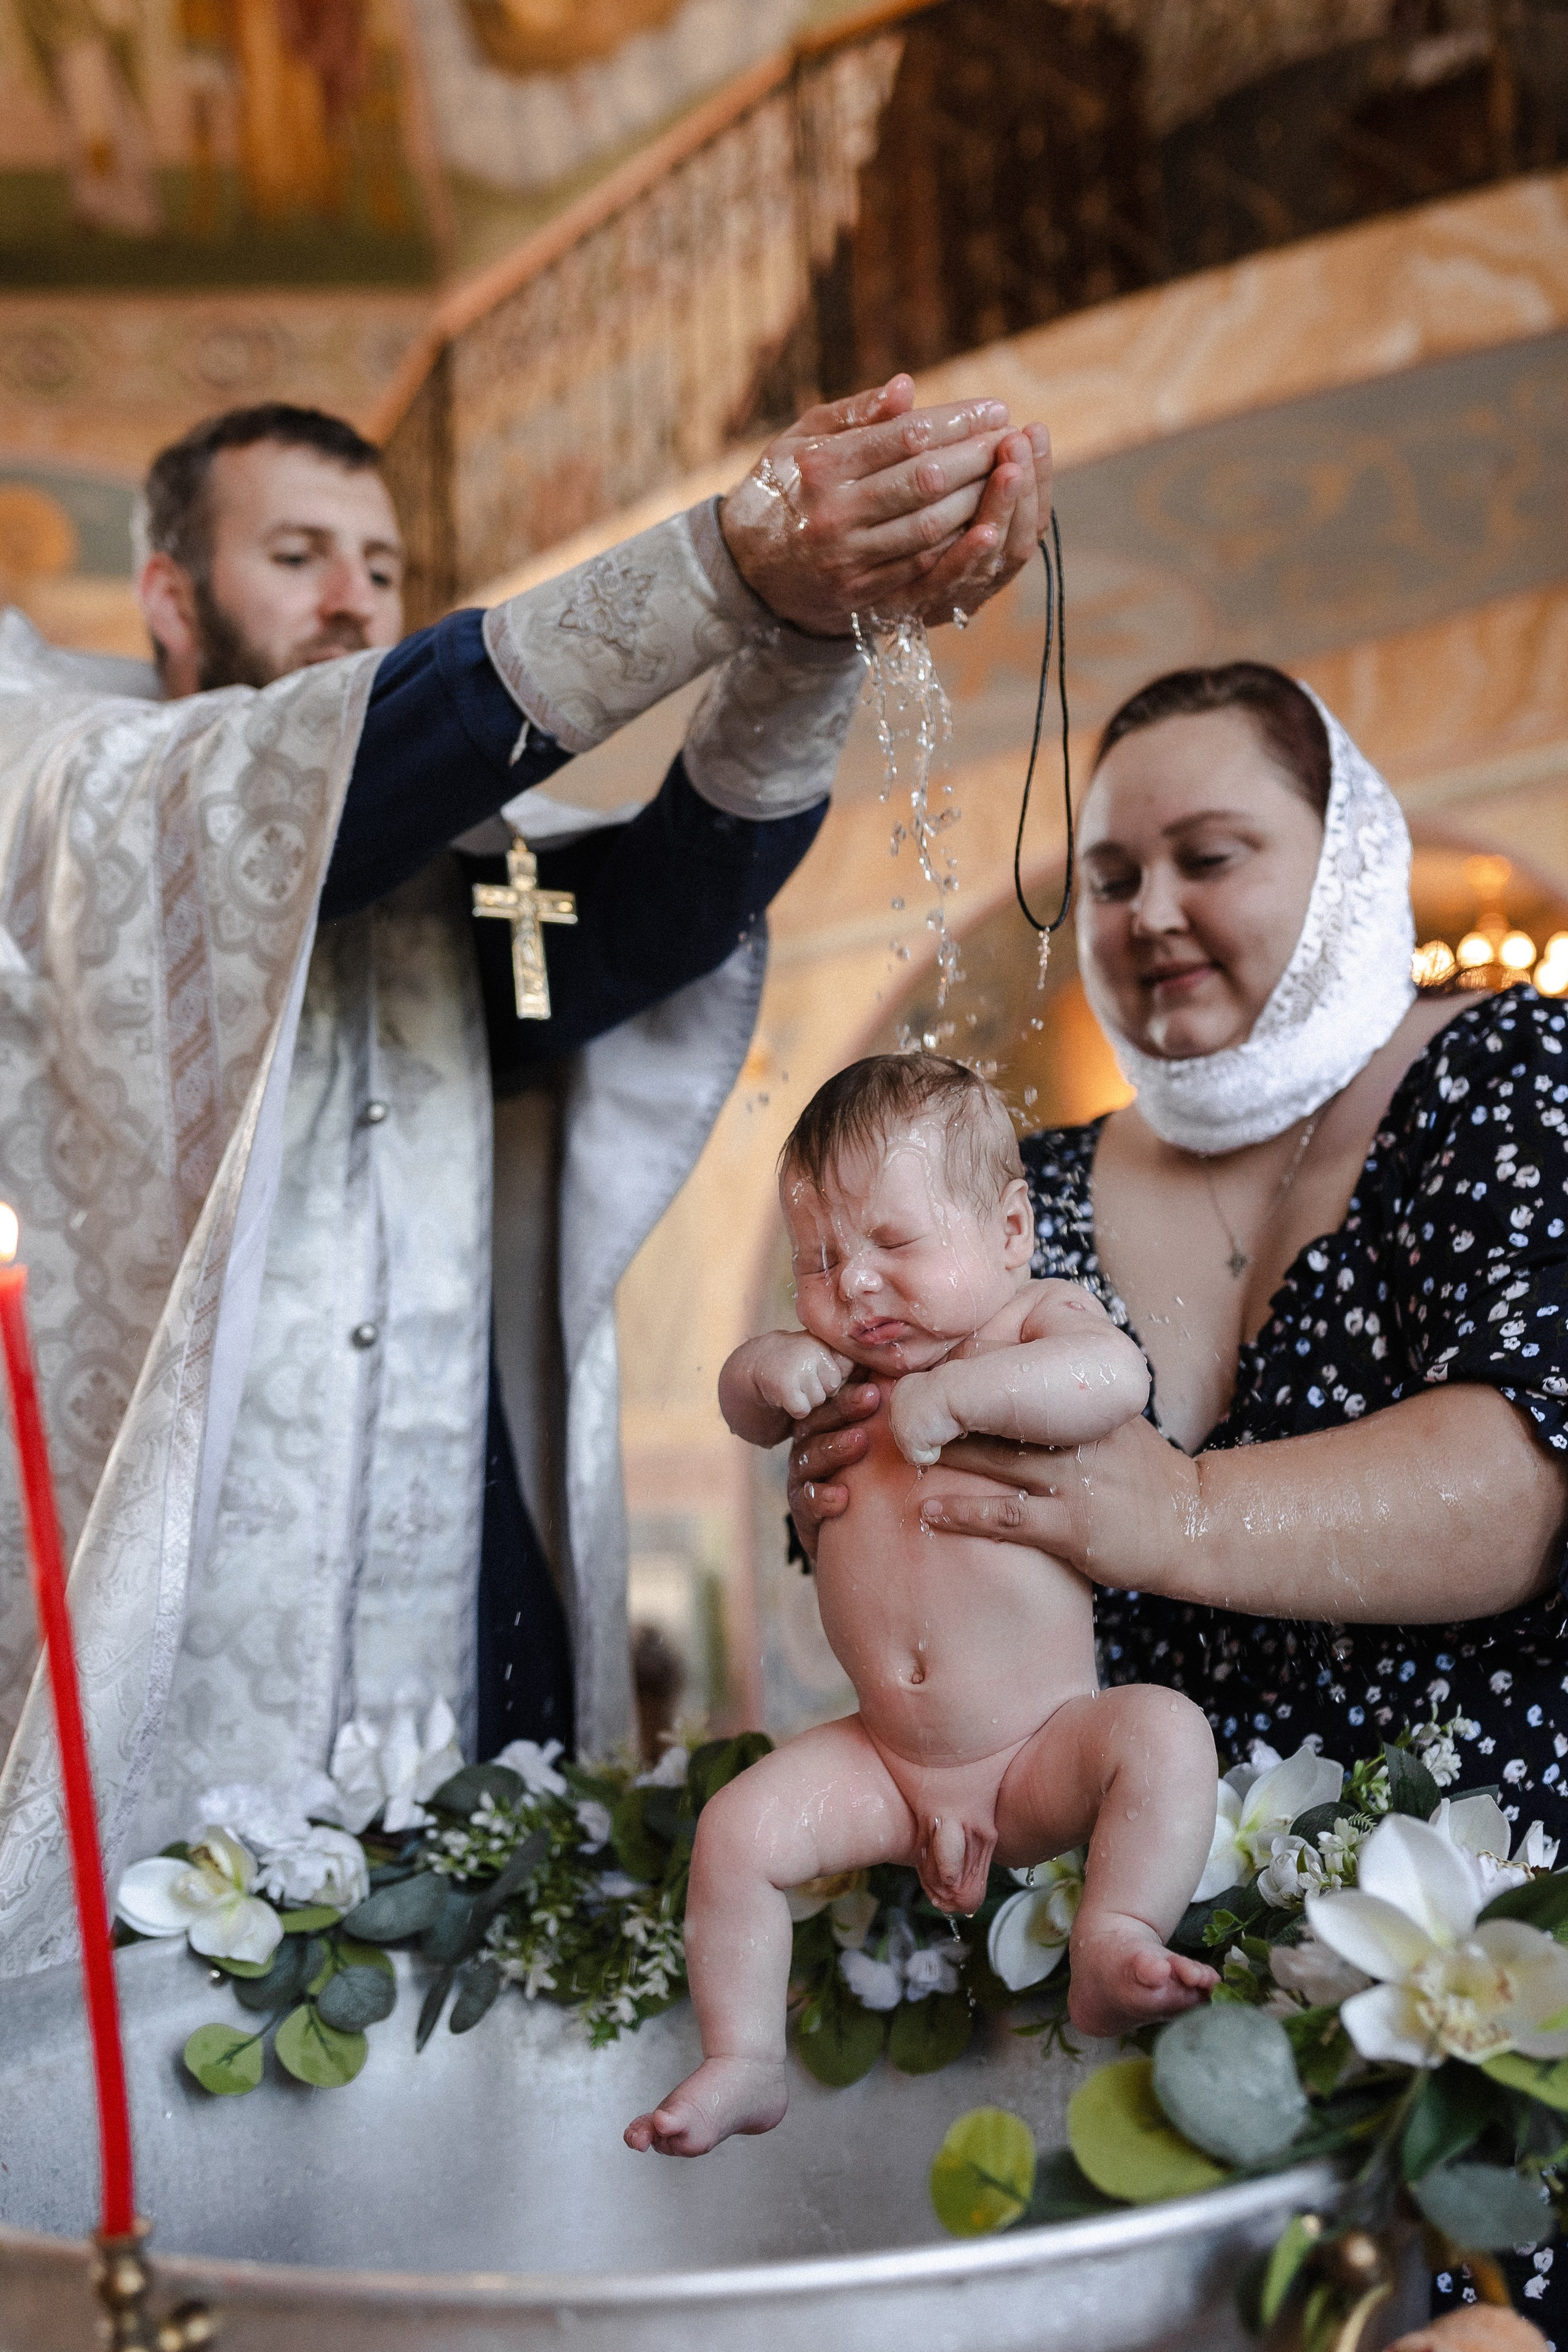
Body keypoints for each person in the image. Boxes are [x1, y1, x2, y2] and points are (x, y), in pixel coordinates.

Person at [0, 376, 1051, 1973]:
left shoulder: (468, 858)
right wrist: (727, 563)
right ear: (167, 593)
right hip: (162, 1601)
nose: (353, 596)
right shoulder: (68, 773)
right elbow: (310, 787)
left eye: (380, 564)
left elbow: (646, 928)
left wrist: (803, 634)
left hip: (452, 1571)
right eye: (296, 554)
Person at [788, 661, 1568, 2338]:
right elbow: (900, 1491)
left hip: (1469, 1945)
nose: (1148, 912)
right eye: (1111, 876)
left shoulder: (1511, 1072)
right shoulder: (1035, 1189)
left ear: (1348, 858)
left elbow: (1525, 1474)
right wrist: (838, 1463)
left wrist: (1178, 1513)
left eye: (1209, 857)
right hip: (1120, 1970)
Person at [626, 1053, 1217, 2157]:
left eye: (894, 1245)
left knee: (1165, 1732)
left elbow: (1113, 1381)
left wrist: (966, 1392)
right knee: (737, 1832)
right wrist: (767, 1370)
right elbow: (743, 1405)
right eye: (819, 1260)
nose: (854, 1286)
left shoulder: (1033, 1319)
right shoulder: (833, 1358)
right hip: (887, 1761)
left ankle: (1116, 1935)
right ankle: (743, 2059)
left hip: (1039, 1748)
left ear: (1009, 1230)